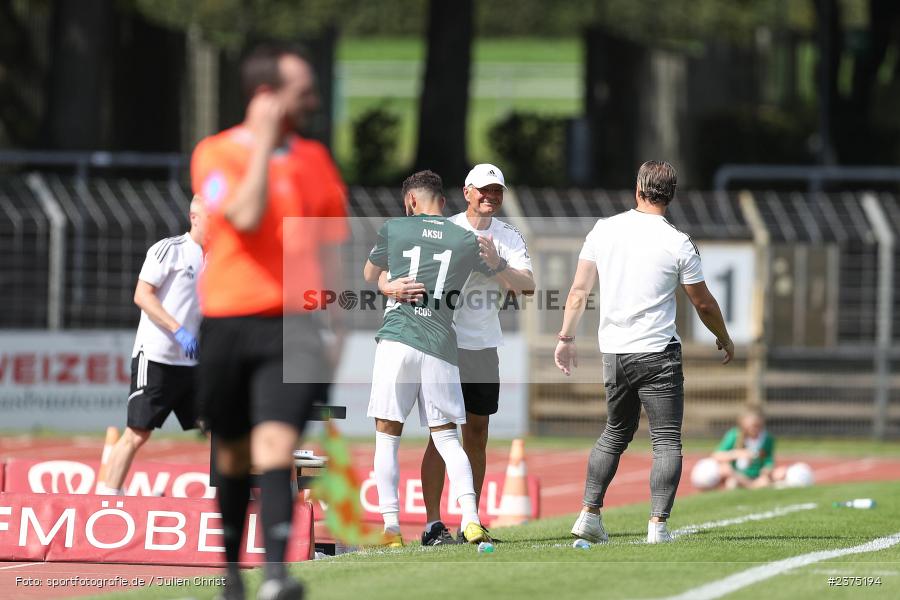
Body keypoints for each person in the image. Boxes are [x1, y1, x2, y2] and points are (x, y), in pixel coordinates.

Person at [191, 44, 347, 600]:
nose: (313, 99)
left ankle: (276, 575)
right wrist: (261, 146)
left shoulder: (316, 159)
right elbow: (246, 213)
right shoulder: (215, 154)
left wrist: (338, 324)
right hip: (229, 323)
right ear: (266, 96)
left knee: (278, 449)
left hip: (293, 325)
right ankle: (232, 575)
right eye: (301, 89)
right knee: (232, 454)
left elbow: (332, 248)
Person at [554, 160, 734, 545]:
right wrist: (724, 336)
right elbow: (702, 303)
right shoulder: (678, 241)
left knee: (615, 432)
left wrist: (566, 338)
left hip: (615, 353)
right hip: (657, 353)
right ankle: (658, 526)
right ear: (671, 195)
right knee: (666, 440)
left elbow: (578, 291)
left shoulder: (604, 230)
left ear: (638, 188)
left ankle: (589, 513)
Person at [381, 164, 534, 545]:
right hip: (441, 342)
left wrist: (497, 263)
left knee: (477, 435)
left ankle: (472, 520)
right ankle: (433, 523)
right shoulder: (443, 228)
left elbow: (528, 285)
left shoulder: (508, 235)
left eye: (497, 191)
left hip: (483, 345)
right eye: (484, 190)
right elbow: (387, 269)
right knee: (441, 435)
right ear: (467, 192)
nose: (491, 196)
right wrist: (389, 287)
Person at [363, 170, 495, 547]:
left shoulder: (395, 229)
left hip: (398, 339)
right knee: (449, 439)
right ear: (443, 201)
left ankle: (391, 529)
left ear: (411, 203)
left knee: (386, 438)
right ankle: (470, 520)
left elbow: (370, 273)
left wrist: (387, 283)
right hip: (440, 344)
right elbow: (511, 281)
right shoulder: (466, 240)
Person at [99, 196, 207, 495]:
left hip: (194, 365)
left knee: (219, 428)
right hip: (157, 357)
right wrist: (179, 331)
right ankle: (107, 498)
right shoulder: (169, 250)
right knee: (137, 433)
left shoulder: (219, 259)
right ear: (194, 217)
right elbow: (142, 296)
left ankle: (234, 500)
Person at [713, 409, 781, 489]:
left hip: (757, 475)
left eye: (758, 426)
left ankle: (754, 484)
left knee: (779, 474)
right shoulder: (735, 435)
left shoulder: (767, 438)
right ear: (743, 425)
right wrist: (737, 454)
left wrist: (766, 472)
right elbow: (717, 455)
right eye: (752, 426)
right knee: (725, 470)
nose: (755, 429)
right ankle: (751, 485)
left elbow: (768, 461)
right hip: (738, 475)